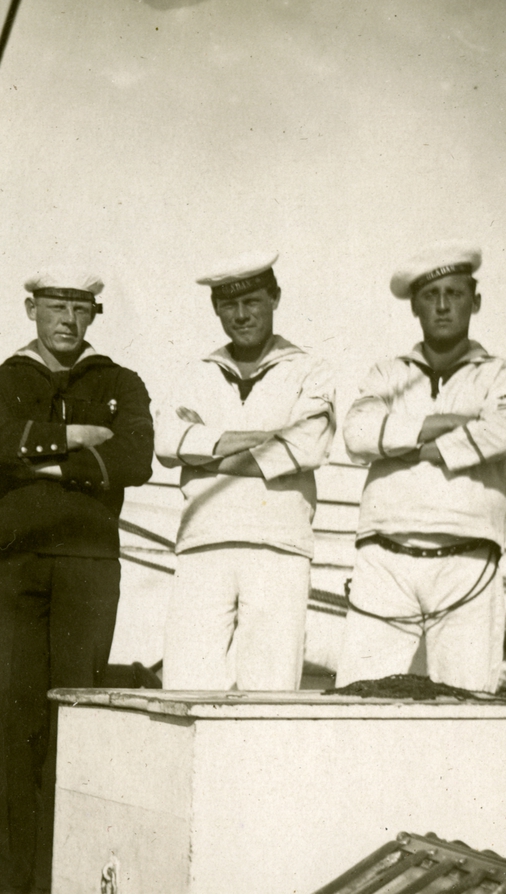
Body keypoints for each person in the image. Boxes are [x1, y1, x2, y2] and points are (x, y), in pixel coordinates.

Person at [0, 267, 154, 893]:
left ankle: (64, 881)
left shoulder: (120, 382)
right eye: (55, 307)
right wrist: (77, 442)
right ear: (32, 309)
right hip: (11, 567)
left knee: (74, 723)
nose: (68, 321)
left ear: (94, 314)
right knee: (8, 727)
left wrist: (37, 458)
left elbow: (135, 459)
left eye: (80, 308)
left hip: (88, 567)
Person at [335, 240, 506, 693]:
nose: (442, 306)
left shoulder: (500, 372)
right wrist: (445, 424)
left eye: (454, 293)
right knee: (359, 699)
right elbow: (358, 434)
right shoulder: (387, 373)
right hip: (384, 557)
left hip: (468, 558)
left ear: (474, 301)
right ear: (414, 307)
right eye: (430, 295)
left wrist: (407, 446)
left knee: (467, 701)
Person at [155, 251, 335, 691]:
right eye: (228, 304)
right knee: (187, 686)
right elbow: (166, 442)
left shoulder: (310, 369)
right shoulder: (196, 373)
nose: (240, 315)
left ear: (275, 298)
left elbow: (306, 444)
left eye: (252, 301)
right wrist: (266, 439)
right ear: (215, 308)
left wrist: (203, 448)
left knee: (270, 691)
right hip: (202, 541)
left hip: (279, 545)